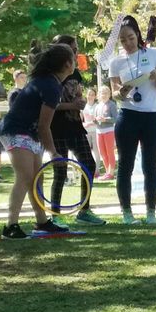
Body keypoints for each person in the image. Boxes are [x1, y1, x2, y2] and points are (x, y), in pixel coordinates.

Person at [0, 43, 75, 239]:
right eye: (74, 57)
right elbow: (44, 125)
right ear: (67, 64)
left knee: (36, 179)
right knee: (24, 178)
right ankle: (10, 226)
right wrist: (54, 152)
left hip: (28, 133)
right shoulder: (50, 86)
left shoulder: (49, 82)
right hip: (16, 131)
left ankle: (42, 222)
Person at [107, 15, 156, 225]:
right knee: (125, 165)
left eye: (131, 38)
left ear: (138, 35)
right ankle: (127, 214)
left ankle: (151, 213)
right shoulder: (115, 62)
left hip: (152, 115)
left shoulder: (152, 53)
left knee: (150, 164)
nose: (128, 43)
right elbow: (114, 91)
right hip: (128, 116)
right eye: (123, 40)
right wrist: (120, 93)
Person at [46, 35, 105, 226]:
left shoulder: (75, 72)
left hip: (75, 126)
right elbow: (50, 104)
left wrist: (79, 102)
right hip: (56, 127)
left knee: (89, 163)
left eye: (76, 49)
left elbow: (78, 94)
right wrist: (71, 105)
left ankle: (84, 210)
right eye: (72, 49)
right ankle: (55, 213)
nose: (76, 52)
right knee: (60, 171)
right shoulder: (50, 75)